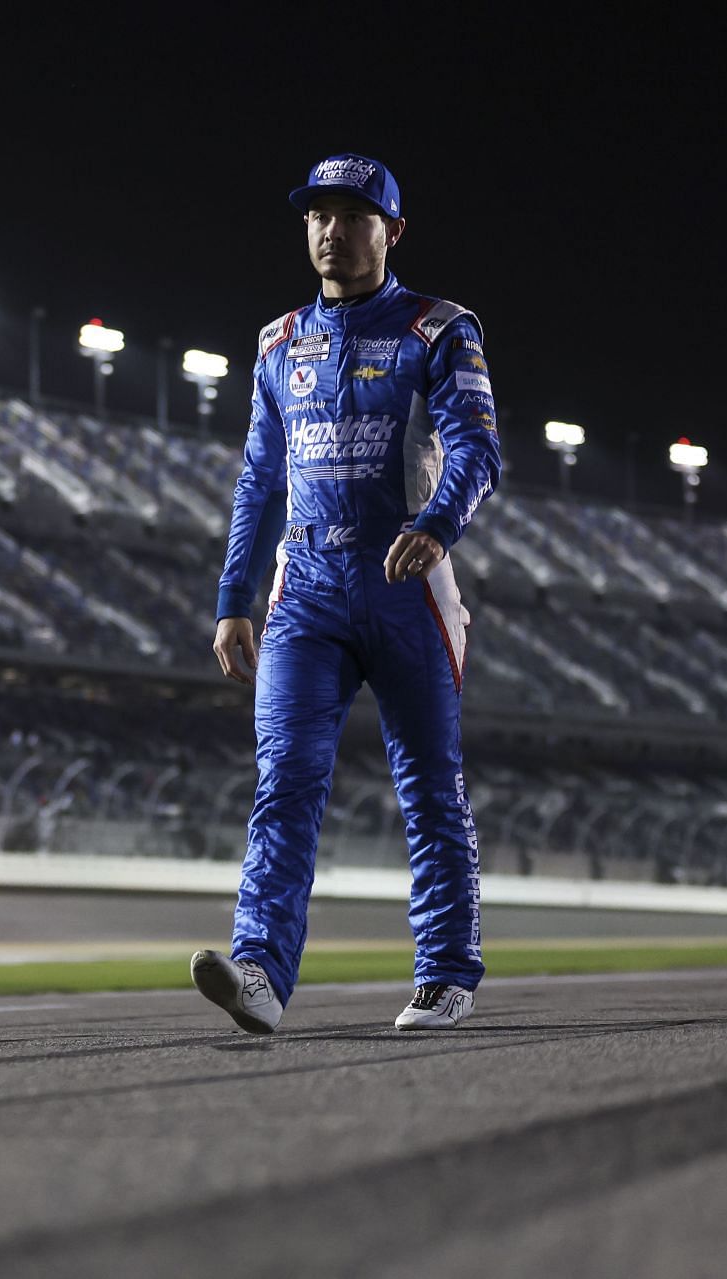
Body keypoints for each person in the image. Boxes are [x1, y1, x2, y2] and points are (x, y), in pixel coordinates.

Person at [192, 153, 501, 1033]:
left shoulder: (439, 329)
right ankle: (258, 972)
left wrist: (437, 522)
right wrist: (233, 598)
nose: (333, 228)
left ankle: (447, 972)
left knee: (429, 786)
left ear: (393, 230)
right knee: (284, 781)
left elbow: (480, 451)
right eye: (319, 213)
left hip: (408, 586)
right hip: (306, 593)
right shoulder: (277, 342)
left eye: (355, 214)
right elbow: (259, 478)